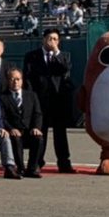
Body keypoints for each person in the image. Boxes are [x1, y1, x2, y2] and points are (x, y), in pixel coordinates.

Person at [23, 29, 76, 173]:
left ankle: (64, 163)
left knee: (60, 133)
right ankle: (37, 162)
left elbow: (65, 69)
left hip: (57, 101)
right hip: (40, 101)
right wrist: (31, 99)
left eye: (55, 39)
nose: (52, 41)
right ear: (43, 39)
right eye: (49, 38)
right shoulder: (32, 56)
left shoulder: (63, 56)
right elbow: (28, 79)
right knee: (40, 131)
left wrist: (56, 52)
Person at [0, 68, 43, 178]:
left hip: (28, 130)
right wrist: (11, 129)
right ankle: (20, 168)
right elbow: (1, 117)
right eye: (12, 79)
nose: (15, 82)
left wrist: (36, 127)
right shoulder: (2, 97)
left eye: (18, 79)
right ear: (7, 81)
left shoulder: (31, 95)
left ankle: (32, 168)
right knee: (15, 138)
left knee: (38, 138)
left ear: (22, 80)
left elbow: (37, 114)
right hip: (13, 131)